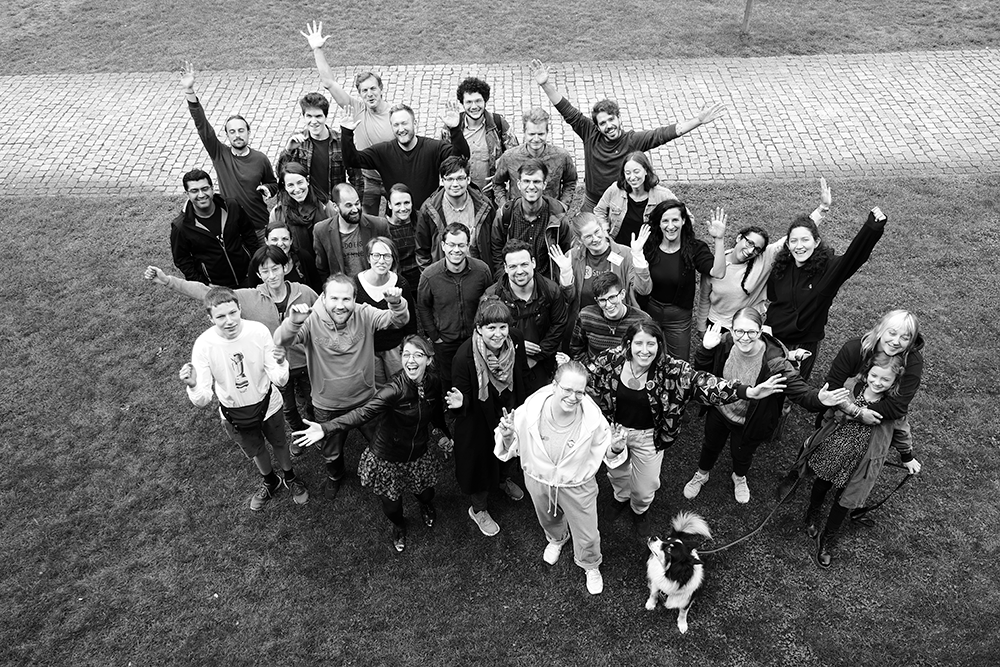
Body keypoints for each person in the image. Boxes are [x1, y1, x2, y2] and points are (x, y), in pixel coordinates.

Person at [587, 321, 786, 535]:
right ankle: (621, 497)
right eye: (639, 344)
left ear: (659, 345)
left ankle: (639, 509)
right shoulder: (610, 360)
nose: (644, 351)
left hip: (649, 437)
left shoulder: (673, 370)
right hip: (615, 432)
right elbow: (586, 378)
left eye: (651, 344)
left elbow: (704, 383)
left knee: (645, 487)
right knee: (617, 473)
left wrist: (747, 392)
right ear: (628, 344)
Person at [146, 245, 320, 443]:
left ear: (286, 267)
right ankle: (299, 435)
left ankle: (317, 430)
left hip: (306, 362)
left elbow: (322, 317)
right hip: (276, 366)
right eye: (265, 271)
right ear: (258, 274)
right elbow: (207, 292)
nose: (271, 276)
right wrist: (169, 281)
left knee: (313, 399)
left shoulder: (304, 292)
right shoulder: (249, 298)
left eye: (275, 269)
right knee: (288, 407)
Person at [293, 336, 450, 552]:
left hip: (418, 453)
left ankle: (424, 506)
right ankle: (398, 526)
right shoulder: (393, 389)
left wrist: (442, 434)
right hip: (388, 456)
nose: (411, 360)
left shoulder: (433, 382)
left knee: (426, 494)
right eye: (406, 354)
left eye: (418, 355)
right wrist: (325, 428)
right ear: (401, 358)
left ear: (429, 360)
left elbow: (435, 412)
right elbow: (361, 414)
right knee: (392, 506)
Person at [682, 308, 849, 504]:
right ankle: (702, 474)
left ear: (761, 332)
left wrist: (818, 398)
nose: (744, 338)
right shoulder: (725, 343)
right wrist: (706, 349)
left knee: (742, 453)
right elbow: (703, 377)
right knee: (710, 445)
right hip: (720, 411)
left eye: (751, 332)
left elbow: (799, 391)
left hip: (751, 420)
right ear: (732, 330)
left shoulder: (775, 361)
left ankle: (739, 477)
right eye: (739, 331)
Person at [495, 361, 628, 595]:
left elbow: (607, 452)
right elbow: (510, 446)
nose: (573, 397)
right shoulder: (530, 410)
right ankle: (557, 538)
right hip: (538, 479)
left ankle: (590, 564)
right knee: (548, 517)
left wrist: (616, 448)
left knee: (587, 530)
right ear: (554, 385)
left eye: (580, 392)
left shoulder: (593, 418)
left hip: (577, 484)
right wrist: (507, 435)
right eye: (567, 389)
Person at [275, 274, 410, 500]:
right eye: (334, 298)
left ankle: (388, 471)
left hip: (366, 400)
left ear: (354, 299)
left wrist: (396, 303)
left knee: (380, 442)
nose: (340, 305)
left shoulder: (364, 313)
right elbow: (282, 340)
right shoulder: (310, 320)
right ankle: (335, 475)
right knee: (331, 449)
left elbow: (398, 321)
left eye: (346, 299)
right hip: (327, 404)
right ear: (324, 297)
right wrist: (293, 321)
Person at [530, 59, 725, 212]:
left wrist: (698, 120)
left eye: (611, 120)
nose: (608, 126)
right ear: (597, 126)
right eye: (603, 123)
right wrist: (546, 84)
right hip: (592, 201)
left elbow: (666, 133)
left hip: (620, 201)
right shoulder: (589, 132)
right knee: (585, 242)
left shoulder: (633, 141)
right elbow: (566, 109)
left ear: (619, 118)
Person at [179, 287, 308, 510]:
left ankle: (289, 476)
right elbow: (203, 399)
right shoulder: (203, 345)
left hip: (269, 405)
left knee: (279, 443)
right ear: (210, 318)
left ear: (240, 309)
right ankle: (270, 481)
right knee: (257, 450)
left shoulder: (258, 332)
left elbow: (280, 380)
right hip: (234, 412)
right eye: (220, 316)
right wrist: (193, 385)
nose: (229, 321)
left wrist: (280, 363)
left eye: (232, 313)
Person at [793, 353, 921, 568]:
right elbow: (832, 410)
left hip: (863, 459)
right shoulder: (851, 388)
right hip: (835, 447)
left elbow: (901, 431)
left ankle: (828, 537)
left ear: (895, 381)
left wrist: (907, 457)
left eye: (885, 380)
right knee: (822, 482)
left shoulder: (893, 406)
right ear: (867, 372)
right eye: (874, 376)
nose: (878, 382)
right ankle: (812, 513)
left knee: (848, 496)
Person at [692, 178, 832, 370]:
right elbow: (704, 299)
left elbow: (793, 237)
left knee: (742, 366)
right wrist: (701, 327)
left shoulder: (763, 259)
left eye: (757, 249)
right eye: (749, 243)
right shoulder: (717, 263)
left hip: (747, 326)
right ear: (739, 238)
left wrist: (822, 208)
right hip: (717, 323)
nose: (751, 251)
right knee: (715, 365)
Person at [765, 206, 888, 380]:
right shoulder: (781, 267)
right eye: (794, 241)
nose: (799, 246)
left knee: (794, 383)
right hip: (775, 336)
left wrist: (872, 228)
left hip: (804, 340)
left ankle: (785, 407)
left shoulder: (829, 269)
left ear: (816, 242)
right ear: (787, 244)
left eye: (805, 240)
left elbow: (853, 257)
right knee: (769, 378)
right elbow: (773, 297)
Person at [445, 297, 529, 536]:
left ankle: (502, 481)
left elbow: (521, 371)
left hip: (508, 408)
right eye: (491, 328)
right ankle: (478, 509)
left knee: (509, 451)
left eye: (503, 327)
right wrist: (463, 401)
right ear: (479, 329)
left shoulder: (516, 341)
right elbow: (461, 398)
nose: (498, 333)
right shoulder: (464, 357)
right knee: (481, 463)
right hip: (478, 418)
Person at [302, 21, 395, 215]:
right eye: (364, 91)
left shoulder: (395, 115)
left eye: (372, 89)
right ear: (359, 94)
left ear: (381, 89)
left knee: (399, 216)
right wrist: (317, 50)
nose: (369, 94)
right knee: (366, 219)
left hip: (392, 176)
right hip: (368, 179)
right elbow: (328, 82)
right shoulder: (355, 108)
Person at [179, 63, 278, 241]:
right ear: (227, 135)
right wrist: (189, 91)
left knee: (268, 266)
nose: (237, 135)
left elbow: (273, 183)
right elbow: (203, 126)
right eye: (232, 132)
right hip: (233, 227)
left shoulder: (260, 159)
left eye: (241, 130)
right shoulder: (220, 154)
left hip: (260, 227)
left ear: (248, 132)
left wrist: (267, 189)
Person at [341, 101, 470, 211]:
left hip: (429, 215)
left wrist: (455, 130)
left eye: (404, 123)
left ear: (415, 123)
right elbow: (353, 160)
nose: (401, 129)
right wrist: (346, 133)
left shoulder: (434, 148)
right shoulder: (382, 151)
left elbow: (462, 157)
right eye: (396, 125)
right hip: (398, 218)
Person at [640, 200, 727, 360]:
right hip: (650, 311)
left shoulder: (695, 248)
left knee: (679, 362)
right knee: (648, 356)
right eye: (665, 221)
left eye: (675, 220)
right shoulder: (649, 245)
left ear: (684, 221)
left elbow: (719, 272)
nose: (670, 226)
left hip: (678, 316)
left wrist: (719, 240)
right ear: (659, 223)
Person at [548, 212, 651, 344]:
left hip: (620, 326)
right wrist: (566, 272)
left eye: (597, 232)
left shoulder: (625, 254)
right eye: (588, 236)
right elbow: (568, 298)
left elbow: (644, 290)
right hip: (585, 327)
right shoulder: (572, 257)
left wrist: (638, 256)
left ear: (603, 228)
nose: (595, 239)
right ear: (580, 240)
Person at [485, 240, 569, 394]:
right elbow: (484, 332)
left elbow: (559, 325)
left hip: (542, 363)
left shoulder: (551, 291)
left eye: (524, 264)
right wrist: (516, 344)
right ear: (505, 268)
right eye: (513, 266)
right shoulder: (492, 296)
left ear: (533, 263)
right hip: (505, 364)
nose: (519, 271)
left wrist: (538, 355)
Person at [415, 222, 494, 386]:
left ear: (468, 245)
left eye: (461, 245)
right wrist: (435, 337)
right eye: (451, 245)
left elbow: (490, 302)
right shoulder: (430, 276)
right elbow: (423, 307)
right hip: (445, 343)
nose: (456, 250)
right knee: (450, 383)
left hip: (476, 340)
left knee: (479, 381)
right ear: (443, 246)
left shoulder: (482, 271)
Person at [822, 309, 925, 424]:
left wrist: (865, 414)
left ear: (911, 341)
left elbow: (897, 406)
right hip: (841, 409)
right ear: (880, 329)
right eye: (892, 333)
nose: (896, 341)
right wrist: (856, 413)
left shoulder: (912, 362)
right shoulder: (853, 349)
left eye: (905, 338)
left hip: (877, 421)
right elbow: (832, 386)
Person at [170, 169, 260, 288]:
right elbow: (182, 260)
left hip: (248, 276)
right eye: (194, 191)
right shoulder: (181, 226)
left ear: (212, 188)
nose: (201, 195)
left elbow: (249, 234)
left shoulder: (231, 206)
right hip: (217, 287)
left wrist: (254, 264)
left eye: (205, 188)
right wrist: (204, 284)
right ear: (187, 194)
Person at [435, 76, 518, 202]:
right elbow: (441, 162)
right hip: (461, 195)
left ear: (485, 100)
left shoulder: (498, 123)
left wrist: (500, 177)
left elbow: (516, 156)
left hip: (491, 196)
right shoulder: (450, 128)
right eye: (468, 102)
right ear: (462, 103)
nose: (474, 106)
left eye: (478, 101)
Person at [489, 159, 572, 281]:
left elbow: (566, 253)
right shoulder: (504, 216)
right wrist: (506, 281)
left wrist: (555, 285)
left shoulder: (558, 218)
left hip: (547, 285)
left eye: (537, 181)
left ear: (544, 184)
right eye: (526, 181)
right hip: (514, 284)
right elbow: (496, 253)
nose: (531, 186)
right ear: (519, 184)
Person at [354, 237, 418, 385]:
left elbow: (410, 320)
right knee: (377, 390)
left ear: (393, 259)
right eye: (376, 255)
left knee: (401, 385)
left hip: (394, 347)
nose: (381, 260)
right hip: (368, 350)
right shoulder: (356, 284)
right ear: (368, 258)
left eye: (387, 256)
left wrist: (410, 347)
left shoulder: (400, 283)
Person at [414, 156, 496, 269]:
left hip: (479, 273)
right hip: (444, 276)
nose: (455, 184)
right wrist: (432, 278)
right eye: (450, 179)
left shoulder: (484, 205)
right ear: (442, 181)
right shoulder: (429, 209)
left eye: (460, 178)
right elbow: (422, 251)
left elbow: (495, 244)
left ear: (468, 179)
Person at [493, 107, 577, 210]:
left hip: (551, 216)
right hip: (517, 215)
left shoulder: (562, 157)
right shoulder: (509, 157)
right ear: (524, 132)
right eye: (532, 134)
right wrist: (504, 206)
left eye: (541, 134)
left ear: (547, 132)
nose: (536, 139)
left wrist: (563, 205)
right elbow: (497, 183)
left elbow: (570, 182)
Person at [269, 162, 336, 284]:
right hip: (299, 271)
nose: (296, 189)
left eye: (300, 182)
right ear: (284, 186)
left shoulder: (326, 206)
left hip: (328, 266)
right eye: (290, 185)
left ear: (308, 180)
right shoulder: (278, 213)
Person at [276, 92, 346, 202]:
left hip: (333, 202)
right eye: (309, 116)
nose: (313, 122)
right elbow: (281, 174)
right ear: (303, 116)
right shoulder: (297, 140)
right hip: (307, 202)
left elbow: (356, 177)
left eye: (318, 116)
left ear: (325, 116)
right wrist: (288, 150)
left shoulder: (340, 142)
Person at [594, 152, 677, 245]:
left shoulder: (663, 195)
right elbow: (599, 211)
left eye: (636, 172)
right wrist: (605, 231)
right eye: (628, 173)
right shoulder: (615, 190)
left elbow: (686, 218)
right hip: (619, 249)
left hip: (650, 250)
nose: (632, 177)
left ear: (646, 171)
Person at [568, 272, 652, 364]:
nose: (608, 305)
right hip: (594, 373)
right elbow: (576, 348)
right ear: (597, 300)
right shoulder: (586, 316)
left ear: (622, 294)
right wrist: (590, 370)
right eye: (602, 300)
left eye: (612, 297)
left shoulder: (642, 320)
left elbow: (650, 352)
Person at [313, 183, 390, 281]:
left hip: (374, 287)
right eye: (349, 205)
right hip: (344, 291)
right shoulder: (321, 230)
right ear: (335, 207)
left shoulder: (379, 225)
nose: (355, 209)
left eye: (357, 203)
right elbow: (322, 269)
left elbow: (391, 260)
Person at [255, 221, 322, 292]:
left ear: (291, 240)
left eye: (285, 239)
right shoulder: (258, 261)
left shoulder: (303, 257)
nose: (280, 243)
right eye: (274, 240)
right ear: (266, 241)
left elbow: (316, 285)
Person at [384, 183, 421, 289]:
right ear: (390, 205)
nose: (403, 208)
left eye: (406, 203)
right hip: (398, 282)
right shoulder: (383, 227)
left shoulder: (421, 220)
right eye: (398, 204)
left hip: (421, 276)